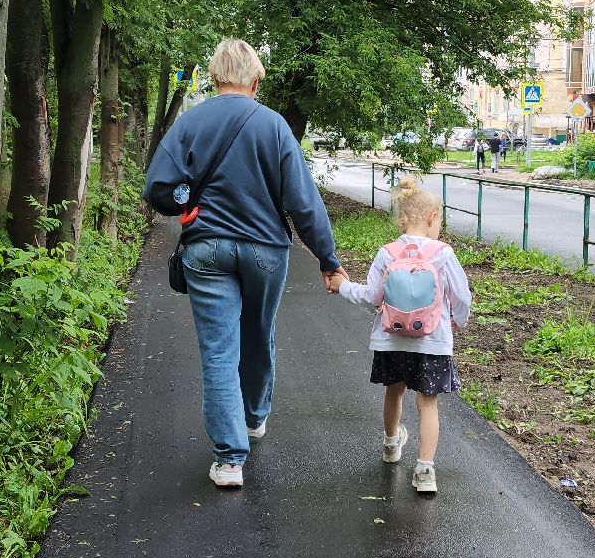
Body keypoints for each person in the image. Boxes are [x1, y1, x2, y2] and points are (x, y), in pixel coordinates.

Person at [143, 37, 345, 489]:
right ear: (255, 81)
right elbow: (303, 202)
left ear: (215, 79)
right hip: (266, 252)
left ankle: (230, 460)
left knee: (219, 349)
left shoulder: (189, 122)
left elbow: (157, 186)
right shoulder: (274, 127)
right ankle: (254, 419)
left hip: (206, 248)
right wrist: (328, 260)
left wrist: (185, 202)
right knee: (258, 334)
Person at [329, 178, 472, 495]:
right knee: (428, 403)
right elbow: (461, 296)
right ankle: (424, 471)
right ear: (433, 217)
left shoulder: (387, 253)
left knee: (394, 392)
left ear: (401, 220)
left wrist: (341, 286)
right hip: (432, 342)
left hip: (391, 340)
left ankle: (392, 445)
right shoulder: (443, 254)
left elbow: (371, 295)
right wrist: (458, 320)